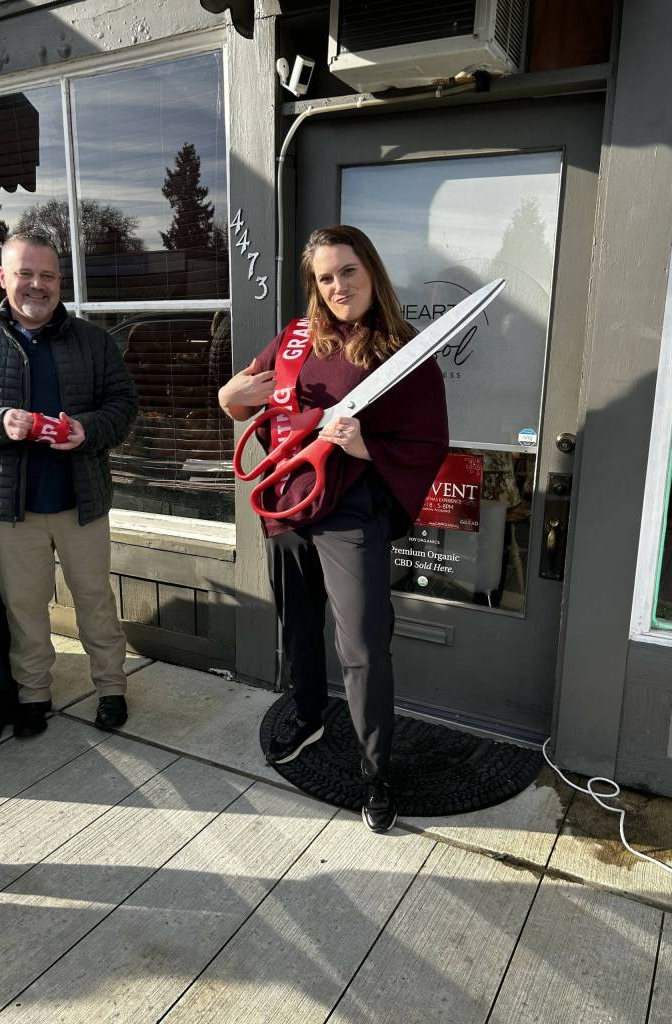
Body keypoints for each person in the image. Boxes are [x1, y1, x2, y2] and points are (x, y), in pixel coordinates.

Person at [219, 225, 448, 832]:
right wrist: (228, 396)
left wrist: (366, 446)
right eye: (325, 277)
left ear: (370, 269)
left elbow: (427, 442)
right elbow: (252, 401)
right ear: (314, 287)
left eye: (348, 271)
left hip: (351, 512)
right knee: (298, 623)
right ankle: (307, 711)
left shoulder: (401, 348)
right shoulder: (294, 339)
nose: (339, 286)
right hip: (287, 503)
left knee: (365, 646)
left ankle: (377, 769)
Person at [0, 233, 138, 739]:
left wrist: (87, 430)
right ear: (3, 278)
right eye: (24, 273)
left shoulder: (93, 340)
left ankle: (111, 688)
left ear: (59, 281)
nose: (36, 285)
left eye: (47, 275)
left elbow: (123, 406)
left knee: (94, 599)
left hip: (81, 499)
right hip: (12, 505)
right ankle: (33, 695)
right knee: (23, 606)